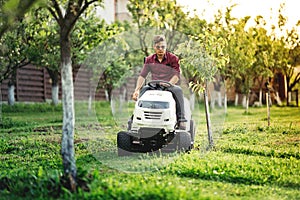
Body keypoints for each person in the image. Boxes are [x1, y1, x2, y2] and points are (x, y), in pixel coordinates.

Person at [132, 35, 186, 128]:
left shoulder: (173, 58)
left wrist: (169, 84)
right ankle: (136, 116)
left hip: (169, 86)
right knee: (144, 90)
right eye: (158, 47)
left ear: (166, 47)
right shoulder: (149, 59)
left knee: (178, 90)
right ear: (154, 47)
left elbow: (176, 75)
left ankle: (181, 119)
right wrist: (137, 90)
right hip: (154, 86)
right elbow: (142, 76)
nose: (160, 49)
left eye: (163, 47)